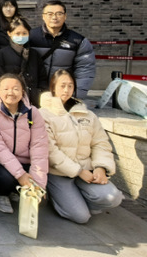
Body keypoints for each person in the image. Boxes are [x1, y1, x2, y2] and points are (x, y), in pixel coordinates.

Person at [39, 70, 123, 224]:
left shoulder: (87, 114)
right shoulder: (43, 114)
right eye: (62, 85)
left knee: (114, 198)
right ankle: (58, 198)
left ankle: (76, 199)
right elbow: (51, 151)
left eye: (70, 86)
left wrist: (101, 167)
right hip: (58, 173)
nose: (66, 90)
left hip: (86, 170)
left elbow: (100, 143)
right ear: (53, 87)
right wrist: (78, 171)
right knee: (81, 216)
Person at [0, 73, 49, 215]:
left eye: (16, 89)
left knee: (33, 176)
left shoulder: (32, 113)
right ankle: (0, 193)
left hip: (24, 159)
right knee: (6, 178)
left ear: (23, 91)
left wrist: (38, 184)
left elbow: (39, 147)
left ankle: (15, 190)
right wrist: (20, 174)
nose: (11, 92)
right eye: (6, 89)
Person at [29, 0, 97, 99]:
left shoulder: (78, 41)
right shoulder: (30, 37)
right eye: (50, 14)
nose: (54, 17)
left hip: (63, 94)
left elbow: (85, 70)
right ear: (43, 16)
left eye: (59, 14)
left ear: (65, 16)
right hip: (35, 94)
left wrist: (75, 96)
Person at [0, 17, 48, 106]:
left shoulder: (34, 54)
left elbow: (42, 78)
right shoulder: (1, 55)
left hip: (34, 101)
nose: (21, 36)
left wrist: (39, 93)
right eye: (17, 33)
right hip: (11, 102)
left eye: (24, 33)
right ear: (9, 33)